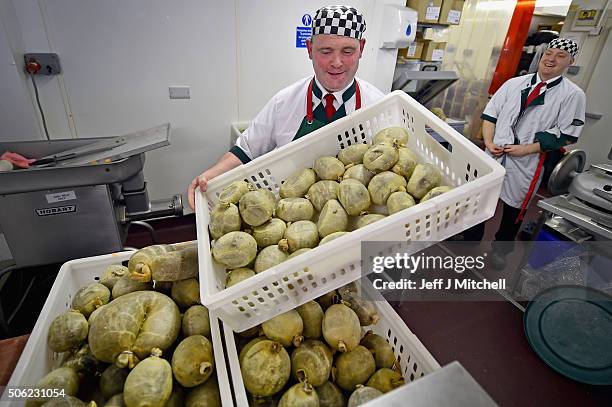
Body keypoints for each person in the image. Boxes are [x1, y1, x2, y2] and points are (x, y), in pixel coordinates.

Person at [187, 5, 385, 209]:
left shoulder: (380, 107)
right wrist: (212, 174)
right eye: (326, 51)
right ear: (309, 49)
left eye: (347, 51)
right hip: (289, 215)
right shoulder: (285, 102)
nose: (336, 62)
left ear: (361, 48)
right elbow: (246, 150)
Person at [464, 38, 586, 268]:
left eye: (560, 55)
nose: (551, 59)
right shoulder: (514, 84)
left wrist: (527, 149)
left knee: (514, 208)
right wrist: (489, 142)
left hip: (528, 160)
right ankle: (470, 238)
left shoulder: (572, 95)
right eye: (549, 53)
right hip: (495, 152)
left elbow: (567, 134)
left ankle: (501, 250)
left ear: (571, 61)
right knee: (478, 196)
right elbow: (491, 115)